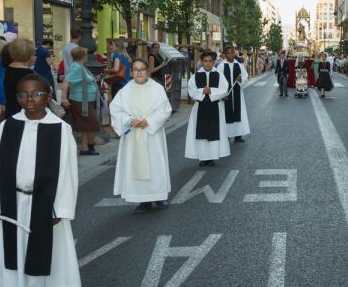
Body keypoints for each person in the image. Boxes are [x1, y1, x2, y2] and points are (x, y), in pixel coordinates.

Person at [0, 73, 81, 287]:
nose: (29, 100)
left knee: (41, 252)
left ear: (48, 97)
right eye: (23, 95)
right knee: (15, 252)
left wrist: (61, 208)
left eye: (36, 94)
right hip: (12, 200)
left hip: (45, 201)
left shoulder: (60, 129)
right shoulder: (8, 125)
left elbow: (68, 171)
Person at [110, 59, 172, 213]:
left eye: (142, 69)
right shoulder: (125, 90)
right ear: (131, 73)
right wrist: (129, 121)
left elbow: (164, 109)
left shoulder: (157, 89)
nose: (139, 73)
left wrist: (149, 121)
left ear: (148, 72)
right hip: (133, 134)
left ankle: (158, 196)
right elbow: (115, 110)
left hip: (152, 134)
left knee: (155, 164)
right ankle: (141, 200)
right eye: (136, 70)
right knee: (135, 165)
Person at [186, 51, 231, 167]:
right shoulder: (195, 76)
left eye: (210, 61)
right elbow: (191, 91)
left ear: (214, 62)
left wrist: (211, 91)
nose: (208, 64)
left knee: (213, 131)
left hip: (215, 107)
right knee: (201, 132)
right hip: (199, 108)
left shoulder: (219, 75)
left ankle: (211, 157)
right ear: (201, 62)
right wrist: (202, 91)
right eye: (205, 61)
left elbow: (224, 89)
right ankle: (202, 158)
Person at [61, 47, 101, 155]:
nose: (87, 56)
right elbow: (66, 81)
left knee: (86, 124)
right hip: (81, 100)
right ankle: (88, 146)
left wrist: (93, 79)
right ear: (83, 56)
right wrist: (63, 98)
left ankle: (86, 147)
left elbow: (80, 80)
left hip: (85, 100)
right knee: (92, 122)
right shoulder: (76, 67)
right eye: (86, 54)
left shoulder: (79, 66)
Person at [217, 46, 250, 142]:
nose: (230, 55)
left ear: (234, 54)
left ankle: (238, 135)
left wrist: (241, 80)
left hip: (237, 94)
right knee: (225, 114)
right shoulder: (221, 66)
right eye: (228, 53)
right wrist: (221, 94)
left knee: (238, 113)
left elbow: (245, 77)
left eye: (232, 53)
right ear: (224, 54)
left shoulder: (239, 65)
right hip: (226, 95)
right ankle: (226, 135)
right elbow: (218, 81)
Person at [3, 39, 36, 119]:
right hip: (26, 114)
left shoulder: (9, 69)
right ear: (29, 56)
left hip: (11, 111)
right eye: (33, 54)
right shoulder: (29, 75)